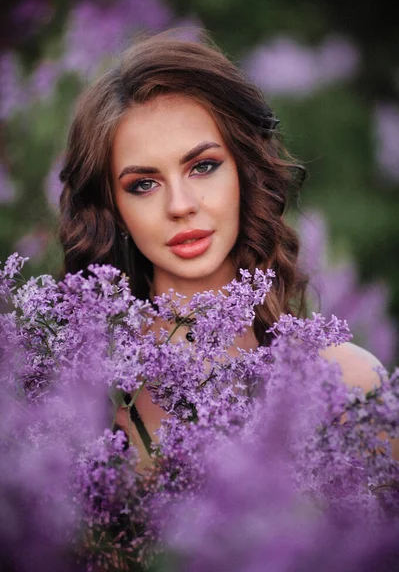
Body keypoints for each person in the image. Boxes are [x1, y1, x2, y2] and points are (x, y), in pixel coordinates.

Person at [59, 30, 381, 465]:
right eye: (144, 184)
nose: (180, 206)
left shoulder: (351, 387)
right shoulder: (71, 413)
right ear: (112, 209)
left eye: (203, 166)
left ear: (245, 171)